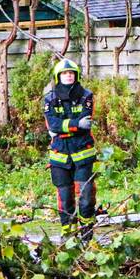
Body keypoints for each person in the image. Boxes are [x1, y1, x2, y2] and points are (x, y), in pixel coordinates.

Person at [43, 58, 96, 239]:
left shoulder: (86, 96)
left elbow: (86, 122)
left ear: (76, 75)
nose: (68, 76)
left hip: (83, 154)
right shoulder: (49, 98)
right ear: (58, 76)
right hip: (60, 156)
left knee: (86, 197)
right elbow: (52, 124)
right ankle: (68, 236)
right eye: (65, 73)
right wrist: (75, 124)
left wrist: (67, 126)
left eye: (71, 73)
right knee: (65, 199)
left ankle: (87, 235)